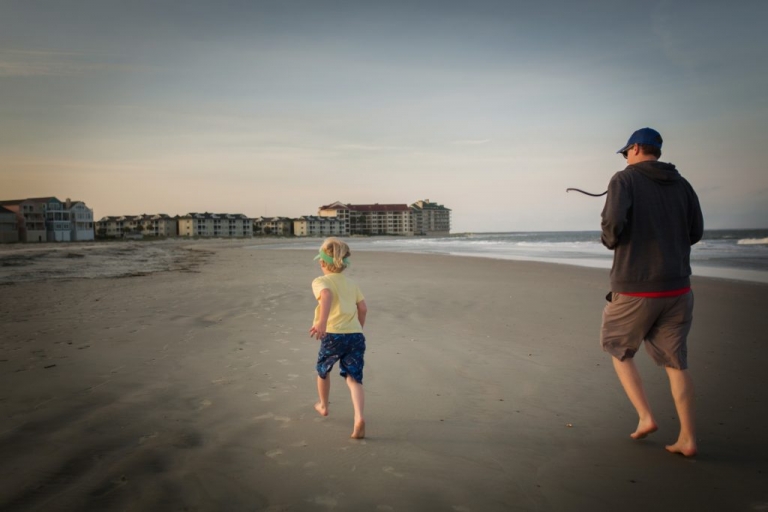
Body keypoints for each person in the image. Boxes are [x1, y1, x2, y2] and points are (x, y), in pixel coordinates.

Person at [600, 127, 704, 457]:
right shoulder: (683, 184)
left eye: (625, 152)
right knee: (676, 363)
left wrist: (611, 240)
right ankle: (688, 438)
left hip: (636, 286)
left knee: (618, 347)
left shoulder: (624, 179)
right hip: (678, 288)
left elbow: (613, 225)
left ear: (634, 149)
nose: (624, 157)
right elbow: (696, 231)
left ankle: (646, 417)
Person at [309, 237, 368, 439]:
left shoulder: (321, 281)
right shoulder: (352, 283)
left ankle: (324, 405)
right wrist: (358, 328)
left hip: (333, 334)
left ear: (322, 262)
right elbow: (363, 308)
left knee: (323, 370)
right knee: (354, 378)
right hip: (355, 336)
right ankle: (359, 417)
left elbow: (326, 295)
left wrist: (322, 322)